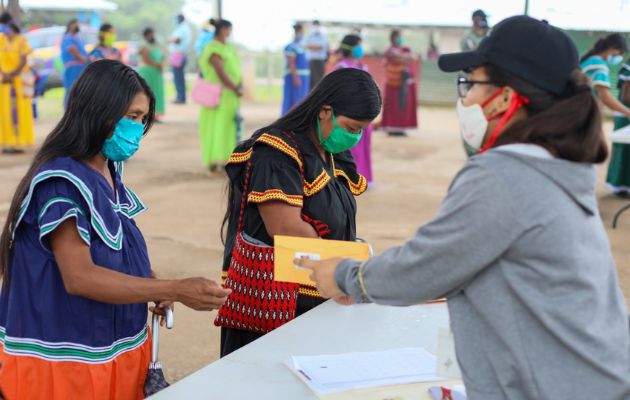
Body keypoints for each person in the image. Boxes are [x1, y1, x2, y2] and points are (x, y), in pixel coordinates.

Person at [299, 16, 630, 400]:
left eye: (471, 83)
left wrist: (341, 275)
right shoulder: (559, 166)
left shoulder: (504, 173)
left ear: (506, 97)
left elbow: (423, 267)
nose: (465, 98)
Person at [0, 60, 231, 399]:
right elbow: (80, 277)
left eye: (142, 119)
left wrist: (151, 283)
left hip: (111, 348)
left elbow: (112, 250)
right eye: (131, 116)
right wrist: (176, 288)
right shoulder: (62, 182)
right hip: (69, 362)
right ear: (97, 111)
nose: (137, 128)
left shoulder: (108, 169)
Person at [216, 68, 381, 357]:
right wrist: (344, 269)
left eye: (361, 130)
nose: (355, 137)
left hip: (318, 291)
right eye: (352, 127)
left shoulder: (332, 152)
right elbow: (287, 228)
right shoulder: (276, 151)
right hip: (277, 302)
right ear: (325, 111)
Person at [579, 33, 630, 195]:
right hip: (583, 117)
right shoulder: (599, 65)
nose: (618, 58)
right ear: (613, 49)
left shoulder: (588, 58)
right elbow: (605, 96)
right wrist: (627, 111)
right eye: (619, 54)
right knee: (585, 156)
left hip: (577, 114)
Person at [198, 19, 242, 172]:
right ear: (223, 30)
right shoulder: (212, 48)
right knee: (214, 126)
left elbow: (234, 67)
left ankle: (226, 157)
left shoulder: (228, 47)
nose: (230, 33)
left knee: (228, 126)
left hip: (230, 95)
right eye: (229, 29)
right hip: (218, 94)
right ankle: (213, 159)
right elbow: (220, 71)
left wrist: (238, 86)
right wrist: (234, 87)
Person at [335, 34, 374, 186]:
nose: (361, 49)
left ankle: (362, 178)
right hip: (349, 116)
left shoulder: (363, 67)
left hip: (364, 116)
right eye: (358, 45)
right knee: (350, 148)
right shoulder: (341, 67)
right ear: (351, 48)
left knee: (363, 147)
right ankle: (348, 179)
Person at [0, 13, 34, 154]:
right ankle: (8, 142)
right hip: (5, 81)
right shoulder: (1, 39)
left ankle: (20, 142)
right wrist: (4, 73)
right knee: (5, 111)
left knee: (20, 111)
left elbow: (24, 59)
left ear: (9, 25)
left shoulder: (21, 40)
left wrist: (13, 73)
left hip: (19, 81)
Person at [381, 29, 418, 137]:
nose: (400, 39)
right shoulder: (391, 50)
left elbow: (411, 57)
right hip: (394, 83)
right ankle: (392, 128)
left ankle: (400, 128)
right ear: (393, 38)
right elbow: (404, 58)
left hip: (403, 82)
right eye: (398, 36)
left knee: (403, 106)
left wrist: (406, 56)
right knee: (394, 105)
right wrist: (407, 56)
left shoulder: (402, 49)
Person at [281, 23, 310, 115]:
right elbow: (291, 63)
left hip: (304, 78)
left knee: (301, 100)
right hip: (295, 77)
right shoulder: (291, 47)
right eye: (302, 31)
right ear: (299, 31)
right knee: (293, 100)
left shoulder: (301, 46)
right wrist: (296, 78)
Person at [138, 27, 165, 121]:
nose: (152, 36)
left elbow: (163, 55)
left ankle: (154, 114)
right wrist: (156, 64)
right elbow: (145, 57)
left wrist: (161, 64)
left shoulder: (157, 45)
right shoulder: (143, 45)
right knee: (147, 92)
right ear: (146, 36)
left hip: (156, 72)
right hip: (147, 71)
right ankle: (146, 114)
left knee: (156, 93)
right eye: (150, 35)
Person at [61, 19, 88, 105]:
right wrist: (84, 60)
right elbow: (73, 51)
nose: (78, 27)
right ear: (71, 25)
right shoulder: (68, 37)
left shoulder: (77, 37)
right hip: (73, 68)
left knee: (80, 90)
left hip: (80, 67)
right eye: (76, 25)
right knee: (71, 90)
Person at [169, 14, 192, 105]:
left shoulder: (182, 28)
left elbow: (177, 40)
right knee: (179, 77)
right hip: (180, 54)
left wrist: (169, 40)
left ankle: (180, 97)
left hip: (179, 55)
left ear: (178, 19)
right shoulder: (183, 28)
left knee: (178, 77)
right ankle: (181, 96)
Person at [306, 20, 328, 89]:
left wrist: (312, 46)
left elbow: (321, 46)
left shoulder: (323, 36)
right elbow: (307, 46)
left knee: (319, 80)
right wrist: (314, 47)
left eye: (316, 25)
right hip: (311, 60)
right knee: (311, 81)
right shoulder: (309, 36)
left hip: (320, 61)